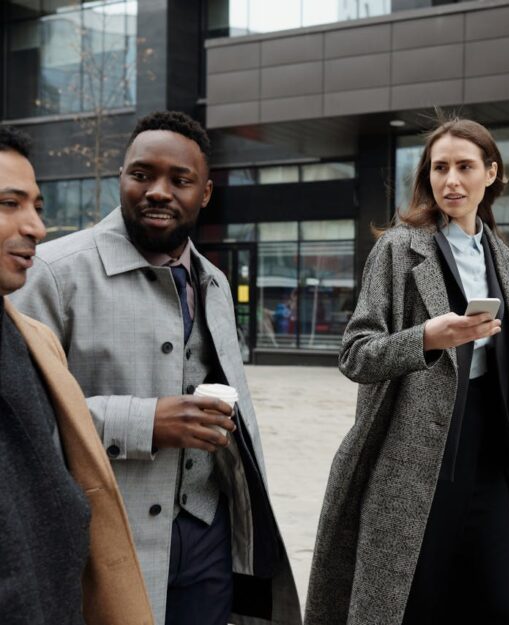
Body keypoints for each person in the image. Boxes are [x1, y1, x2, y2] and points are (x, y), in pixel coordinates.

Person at [12, 112, 301, 625]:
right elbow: (23, 425)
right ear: (121, 177)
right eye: (141, 174)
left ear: (205, 193)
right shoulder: (52, 274)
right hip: (108, 540)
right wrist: (145, 422)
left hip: (209, 532)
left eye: (180, 180)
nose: (158, 191)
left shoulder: (212, 280)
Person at [305, 118, 509, 625]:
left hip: (491, 448)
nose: (450, 180)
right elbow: (356, 354)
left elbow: (494, 346)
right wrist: (428, 338)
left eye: (464, 167)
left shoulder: (498, 251)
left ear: (492, 174)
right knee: (415, 602)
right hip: (416, 455)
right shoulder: (400, 247)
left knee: (502, 604)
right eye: (439, 168)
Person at [0, 127, 153, 625]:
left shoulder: (30, 339)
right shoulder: (61, 277)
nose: (37, 227)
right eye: (9, 204)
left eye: (37, 207)